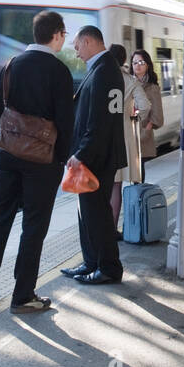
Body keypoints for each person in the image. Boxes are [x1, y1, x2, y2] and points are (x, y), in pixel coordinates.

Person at [0, 10, 74, 313]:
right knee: (33, 226)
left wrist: (11, 142)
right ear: (56, 34)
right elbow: (66, 123)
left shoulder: (10, 66)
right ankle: (22, 295)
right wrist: (60, 160)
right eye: (64, 35)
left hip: (8, 156)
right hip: (43, 163)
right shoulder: (59, 71)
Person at [59, 25, 127, 285]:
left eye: (76, 46)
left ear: (88, 41)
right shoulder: (103, 69)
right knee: (87, 214)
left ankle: (109, 267)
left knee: (97, 215)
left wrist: (82, 153)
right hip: (95, 156)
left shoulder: (105, 72)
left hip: (97, 158)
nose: (76, 53)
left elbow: (100, 122)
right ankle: (91, 262)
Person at [109, 43, 141, 238]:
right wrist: (134, 115)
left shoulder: (101, 77)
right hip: (124, 138)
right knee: (117, 185)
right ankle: (112, 228)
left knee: (104, 184)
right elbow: (144, 105)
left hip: (105, 136)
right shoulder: (130, 81)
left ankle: (101, 226)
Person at [131, 49, 163, 181]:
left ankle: (138, 198)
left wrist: (147, 130)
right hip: (128, 132)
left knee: (138, 172)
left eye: (141, 62)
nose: (137, 65)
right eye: (134, 62)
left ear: (147, 65)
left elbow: (157, 114)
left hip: (142, 134)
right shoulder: (127, 83)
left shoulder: (152, 87)